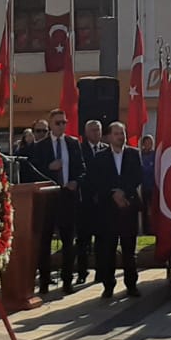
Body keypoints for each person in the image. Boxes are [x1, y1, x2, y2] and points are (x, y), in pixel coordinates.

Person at [85, 122, 144, 299]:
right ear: (109, 136)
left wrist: (123, 192)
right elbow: (95, 180)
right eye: (117, 134)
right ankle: (108, 285)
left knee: (129, 249)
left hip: (128, 207)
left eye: (122, 133)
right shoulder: (100, 157)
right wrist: (112, 193)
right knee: (107, 250)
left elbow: (137, 176)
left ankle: (131, 285)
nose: (121, 136)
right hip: (108, 210)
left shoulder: (133, 154)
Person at [30, 110, 85, 294]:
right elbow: (33, 171)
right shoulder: (40, 146)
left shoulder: (73, 143)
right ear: (51, 125)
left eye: (64, 122)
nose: (61, 126)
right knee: (45, 241)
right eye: (58, 123)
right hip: (48, 198)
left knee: (68, 241)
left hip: (68, 197)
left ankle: (67, 280)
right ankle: (44, 281)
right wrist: (49, 167)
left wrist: (76, 181)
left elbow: (82, 169)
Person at [75, 119, 106, 284]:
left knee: (101, 241)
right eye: (93, 130)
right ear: (86, 133)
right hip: (84, 203)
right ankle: (82, 272)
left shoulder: (106, 150)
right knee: (83, 241)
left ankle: (101, 272)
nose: (96, 133)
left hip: (102, 203)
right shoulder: (79, 150)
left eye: (98, 130)